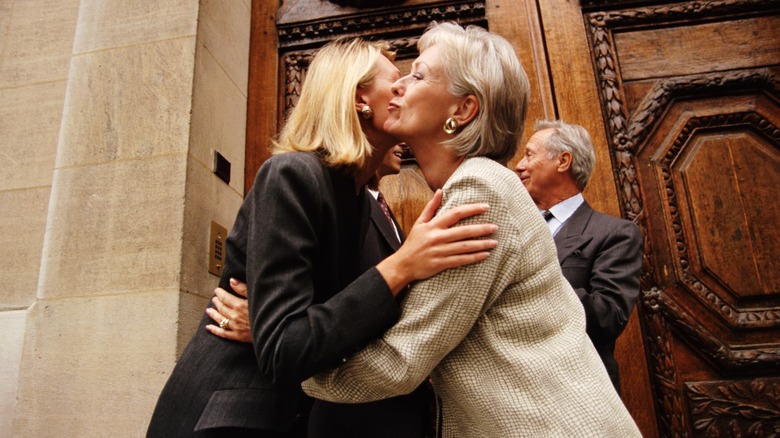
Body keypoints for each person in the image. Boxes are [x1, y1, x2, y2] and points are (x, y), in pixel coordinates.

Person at [301, 22, 642, 437]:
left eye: (420, 74)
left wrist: (289, 355)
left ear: (462, 110)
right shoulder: (471, 186)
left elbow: (401, 361)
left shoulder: (480, 188)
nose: (399, 85)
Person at [146, 36, 498, 437]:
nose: (404, 88)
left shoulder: (360, 201)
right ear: (357, 99)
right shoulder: (293, 175)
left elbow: (320, 326)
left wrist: (269, 327)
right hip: (232, 415)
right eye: (394, 80)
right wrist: (401, 266)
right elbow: (285, 348)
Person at [514, 119, 643, 394]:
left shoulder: (614, 234)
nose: (519, 166)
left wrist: (530, 278)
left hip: (577, 393)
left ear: (563, 161)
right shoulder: (510, 228)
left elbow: (609, 317)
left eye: (529, 154)